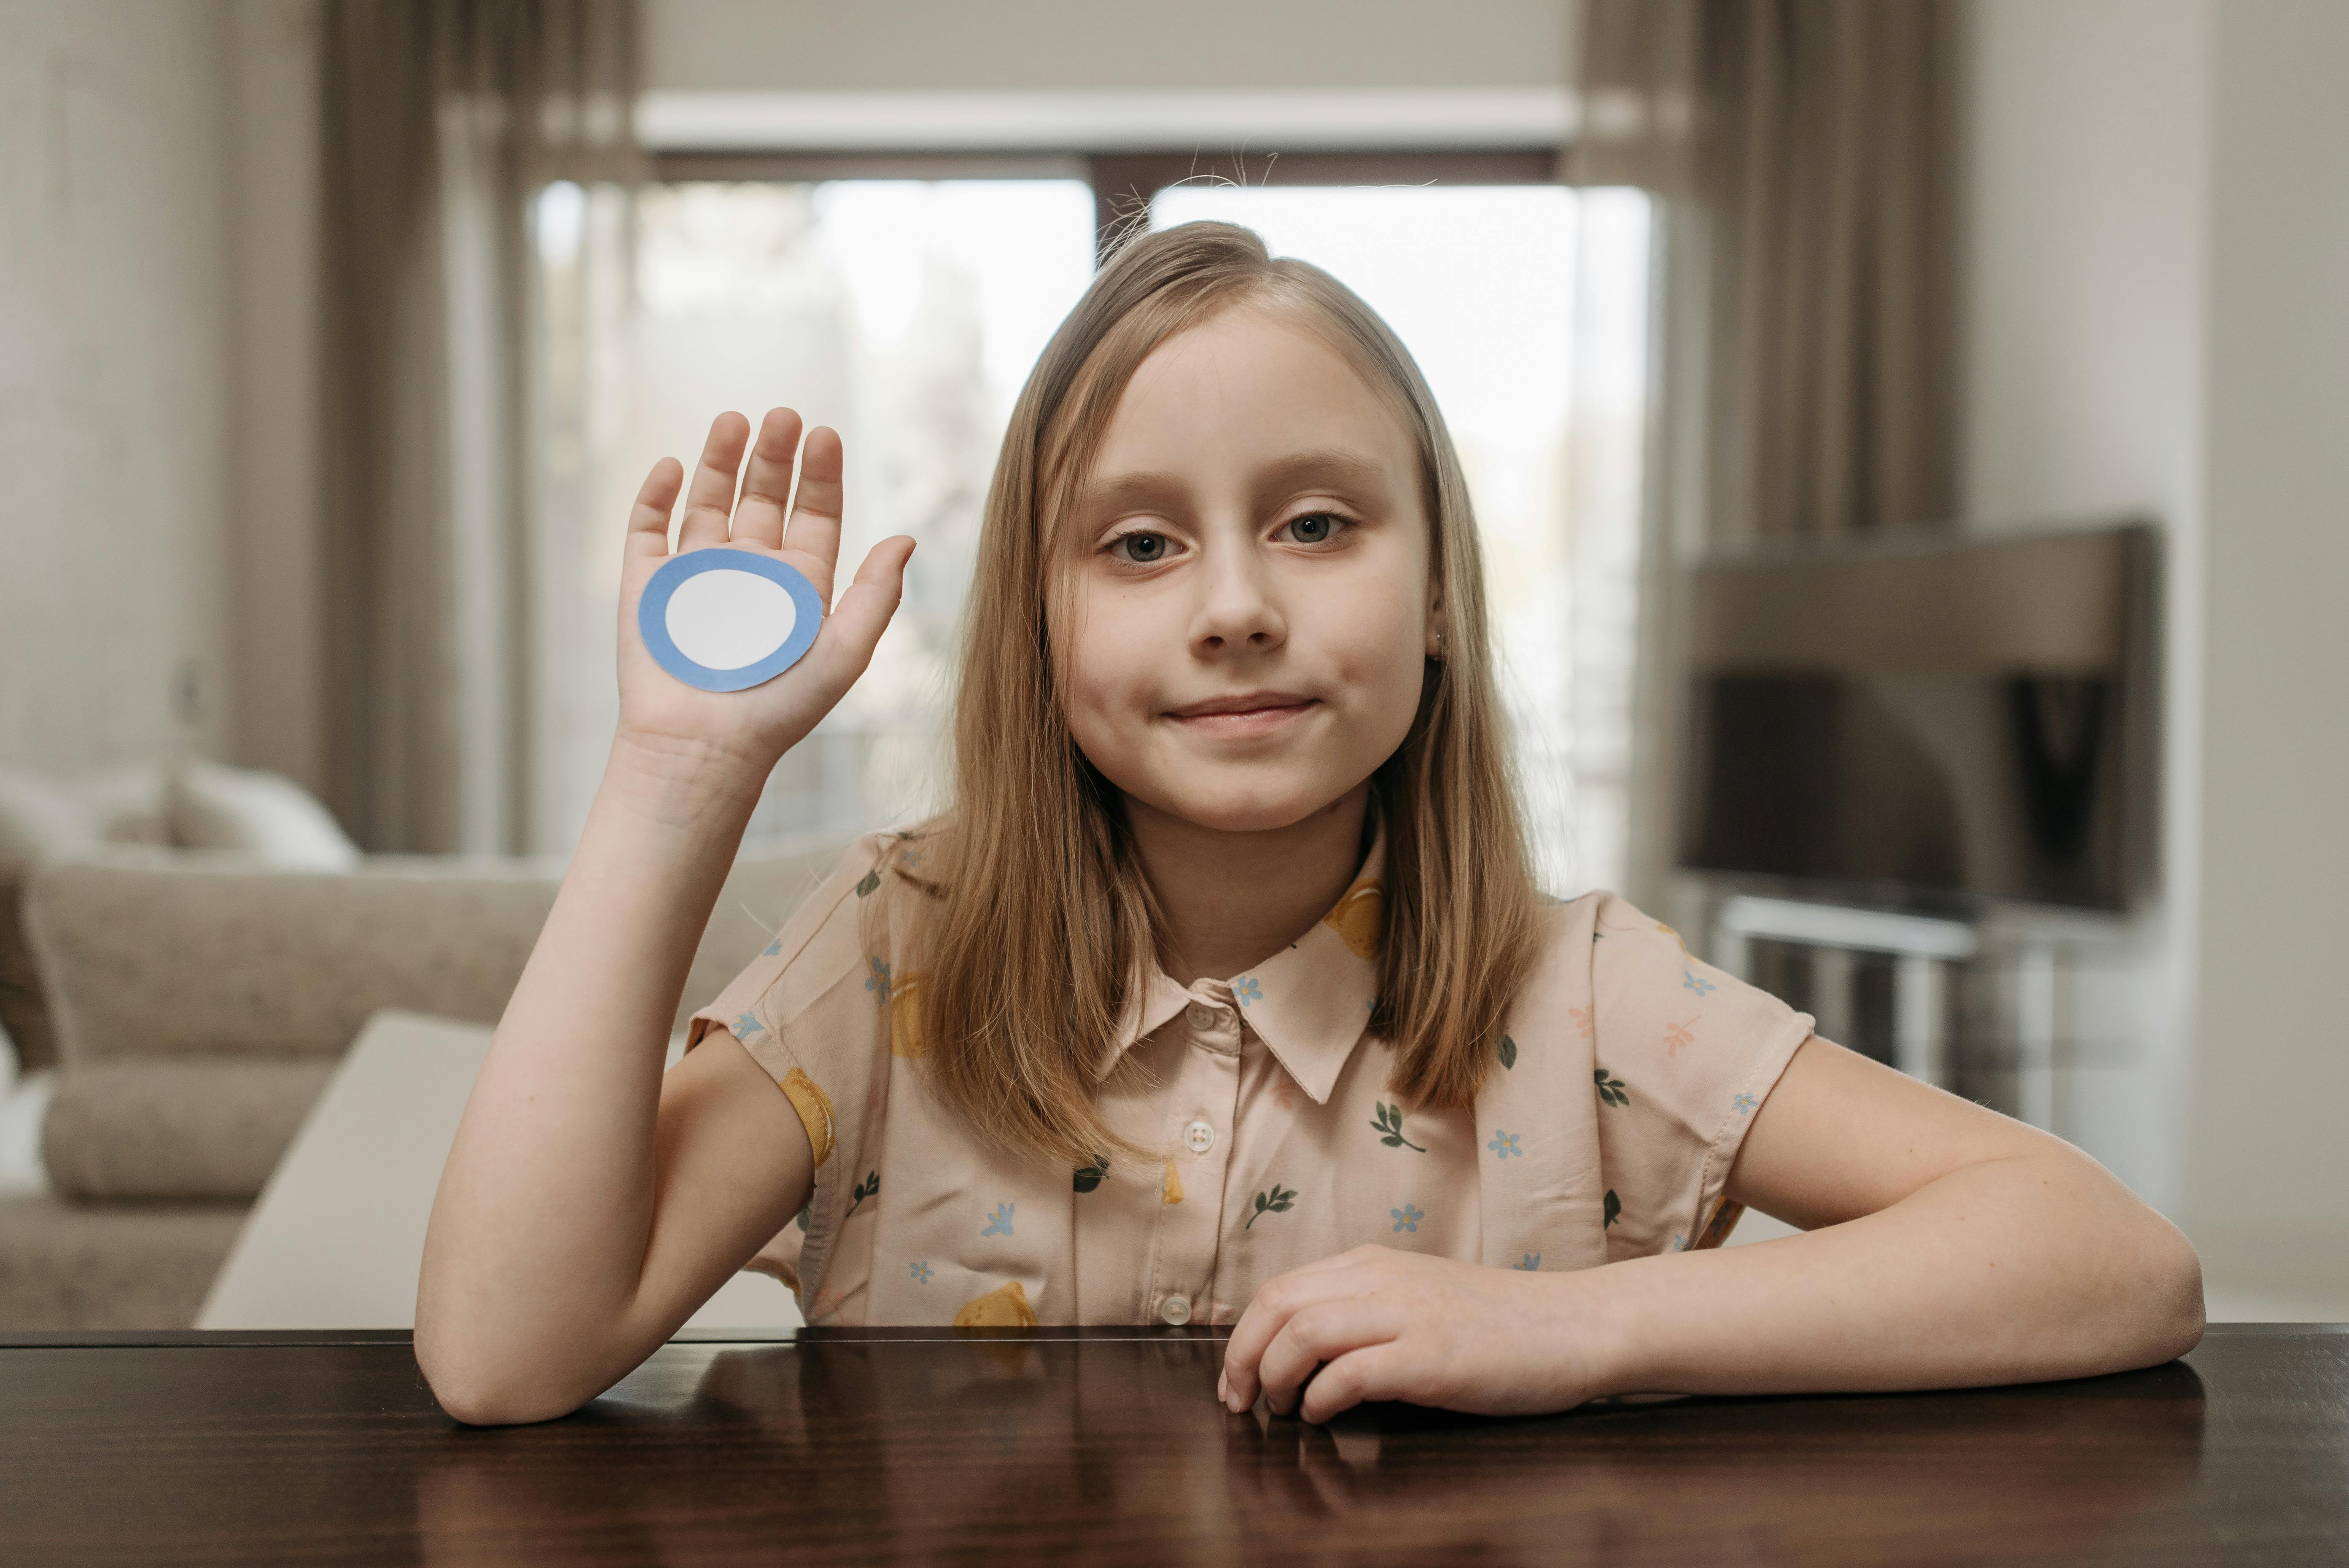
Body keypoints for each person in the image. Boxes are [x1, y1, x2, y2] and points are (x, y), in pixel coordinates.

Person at [415, 222, 2203, 1428]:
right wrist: (679, 778)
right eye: (1136, 544)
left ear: (1436, 592)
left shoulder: (1579, 996)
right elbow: (504, 1356)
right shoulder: (896, 952)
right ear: (1039, 632)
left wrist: (1583, 1329)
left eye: (1318, 525)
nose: (1234, 608)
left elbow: (2114, 1260)